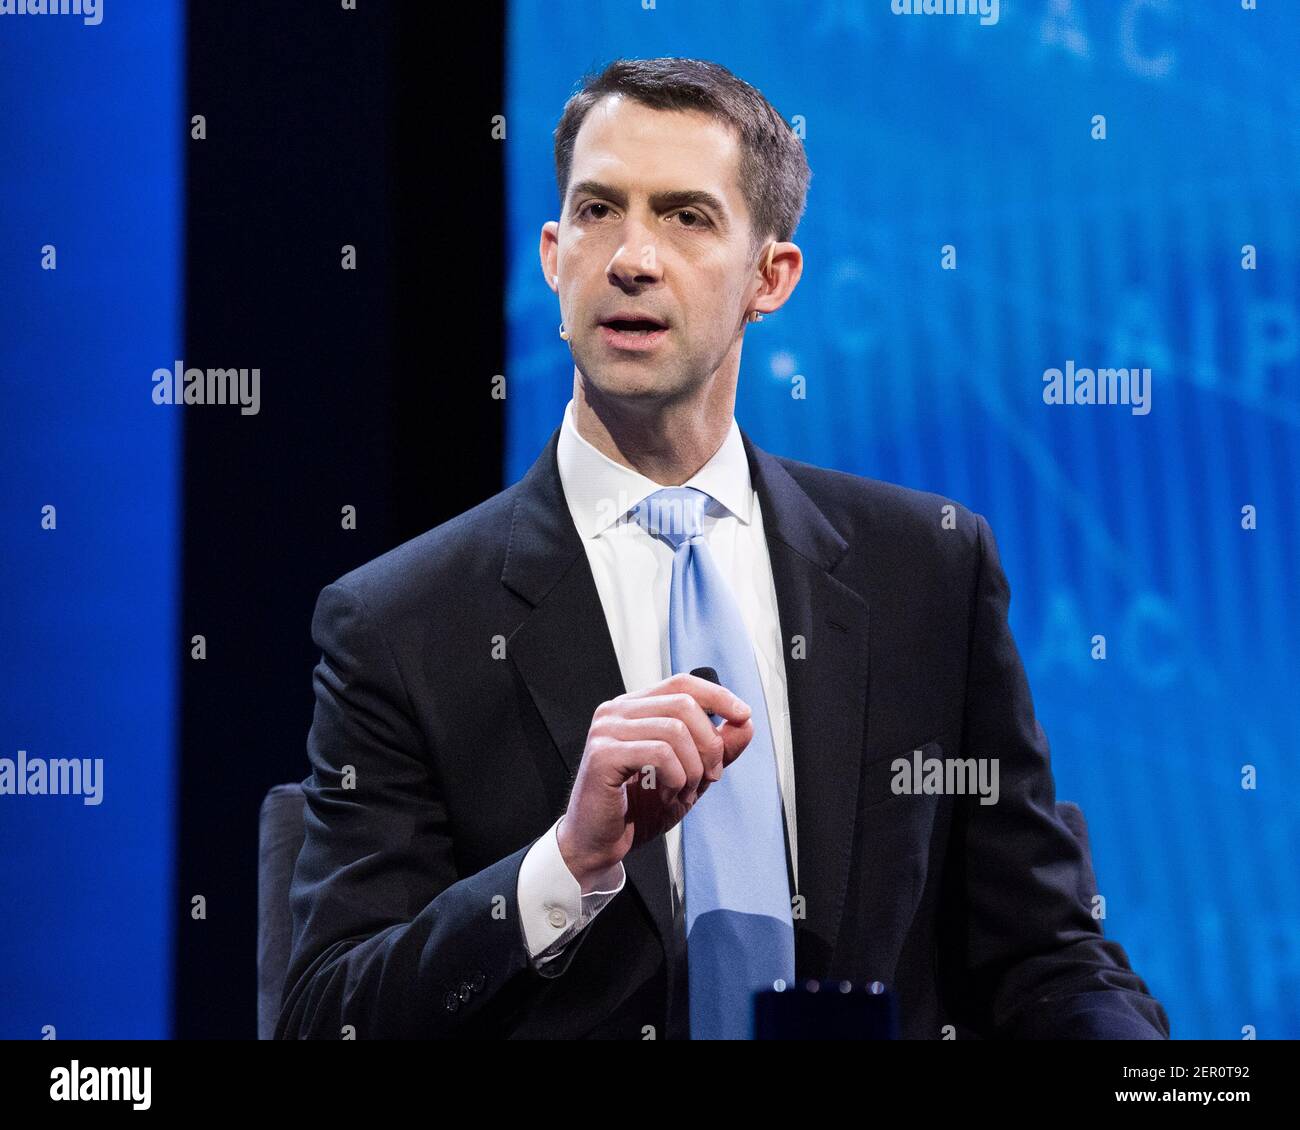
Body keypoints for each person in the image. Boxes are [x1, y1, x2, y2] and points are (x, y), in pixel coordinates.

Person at [275, 57, 1169, 1040]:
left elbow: (1040, 949)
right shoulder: (404, 620)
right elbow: (329, 1015)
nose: (631, 257)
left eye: (685, 217)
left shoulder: (926, 570)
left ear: (769, 277)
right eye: (598, 210)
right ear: (551, 253)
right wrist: (564, 863)